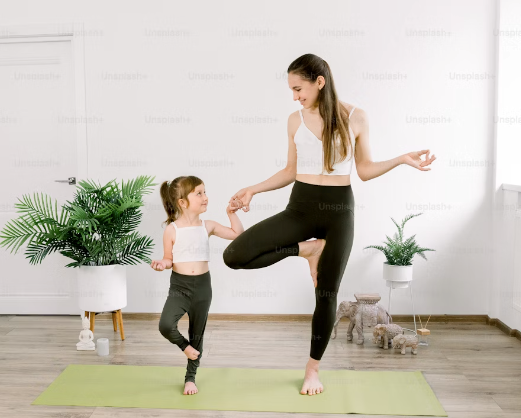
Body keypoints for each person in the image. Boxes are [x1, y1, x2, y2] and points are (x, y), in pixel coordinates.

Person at [223, 53, 436, 396]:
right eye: (292, 90)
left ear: (319, 81)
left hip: (339, 212)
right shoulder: (294, 120)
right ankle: (306, 249)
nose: (295, 96)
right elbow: (290, 171)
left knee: (326, 294)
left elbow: (363, 170)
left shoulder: (356, 117)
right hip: (300, 208)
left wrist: (400, 160)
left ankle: (312, 370)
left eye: (298, 88)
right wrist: (253, 189)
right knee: (234, 255)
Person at [151, 176, 244, 395]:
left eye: (205, 192)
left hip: (203, 288)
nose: (205, 197)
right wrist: (160, 264)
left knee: (198, 334)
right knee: (166, 325)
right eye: (199, 193)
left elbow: (237, 234)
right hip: (179, 288)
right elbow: (168, 259)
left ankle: (190, 378)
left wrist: (231, 214)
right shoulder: (171, 230)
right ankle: (185, 347)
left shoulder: (207, 226)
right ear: (182, 202)